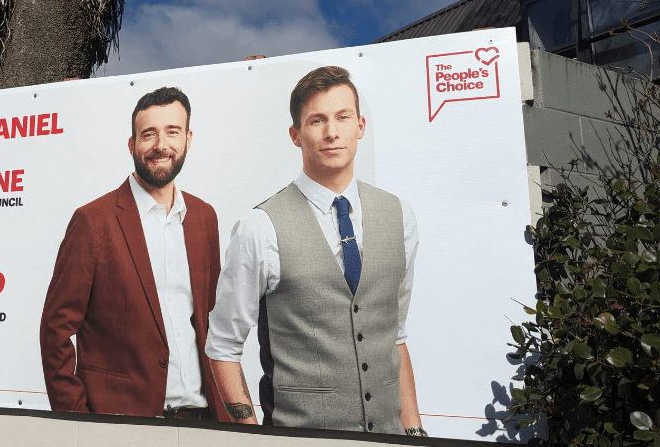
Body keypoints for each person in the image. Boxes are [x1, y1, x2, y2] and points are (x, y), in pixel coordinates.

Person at [205, 66, 427, 436]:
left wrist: (415, 431)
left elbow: (395, 334)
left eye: (343, 117)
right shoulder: (260, 227)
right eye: (316, 120)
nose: (331, 132)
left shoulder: (399, 215)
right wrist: (251, 437)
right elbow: (223, 346)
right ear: (296, 135)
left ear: (360, 125)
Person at [40, 86, 226, 421]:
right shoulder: (93, 221)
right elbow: (55, 330)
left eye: (172, 132)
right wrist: (79, 422)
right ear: (132, 145)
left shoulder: (204, 217)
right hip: (123, 423)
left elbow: (212, 320)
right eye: (148, 134)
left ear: (188, 139)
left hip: (203, 418)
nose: (161, 145)